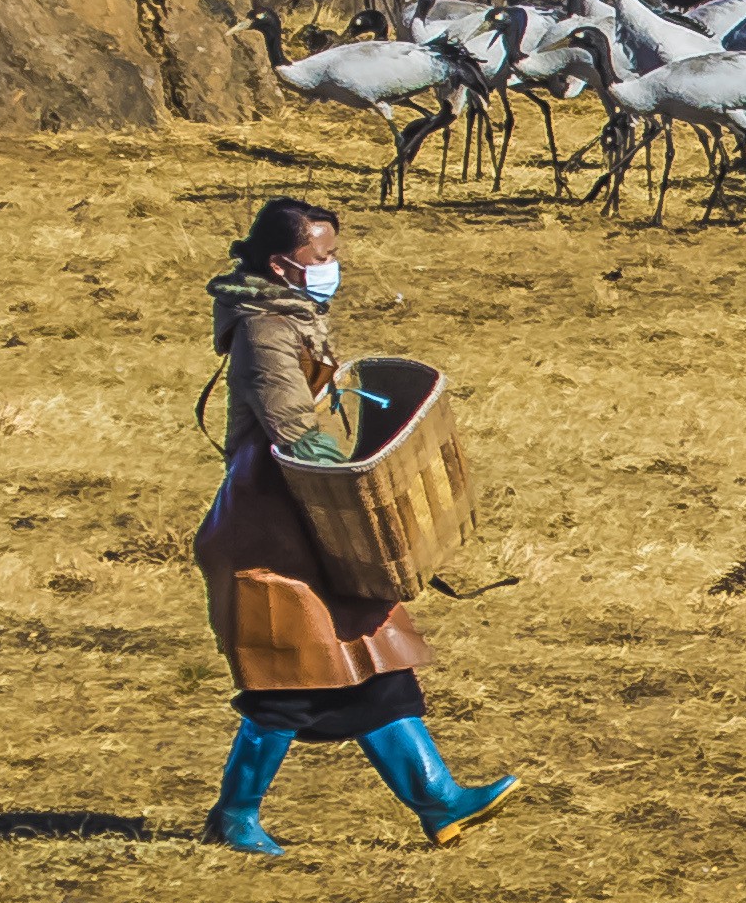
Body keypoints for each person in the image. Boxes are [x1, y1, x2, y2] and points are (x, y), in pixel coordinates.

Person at [194, 198, 519, 855]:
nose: (332, 268)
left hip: (309, 519)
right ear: (283, 264)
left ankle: (439, 799)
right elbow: (293, 432)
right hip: (271, 531)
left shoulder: (295, 318)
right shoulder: (264, 331)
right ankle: (233, 817)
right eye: (321, 258)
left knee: (375, 657)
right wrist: (357, 495)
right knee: (288, 676)